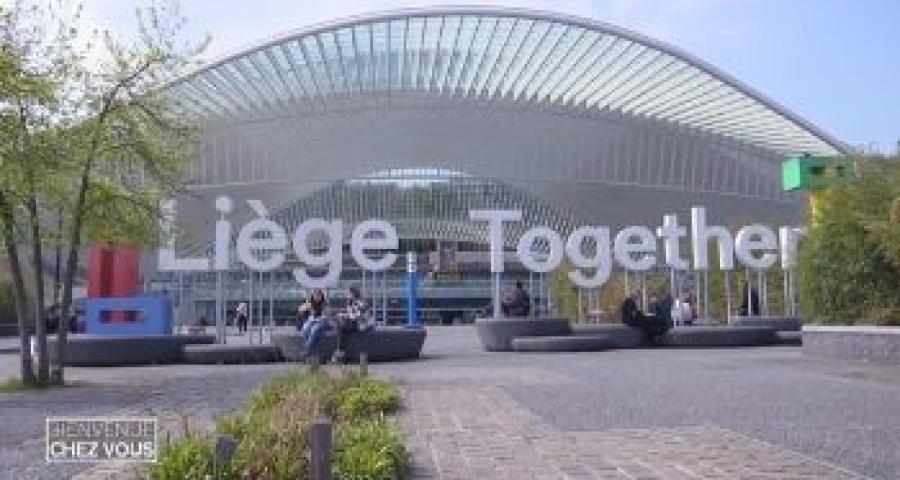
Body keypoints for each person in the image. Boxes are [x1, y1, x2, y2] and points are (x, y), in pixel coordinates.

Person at [297, 290, 329, 355]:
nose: (317, 297)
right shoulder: (310, 303)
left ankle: (307, 348)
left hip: (321, 321)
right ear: (313, 296)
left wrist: (317, 318)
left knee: (314, 330)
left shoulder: (324, 304)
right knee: (304, 330)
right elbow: (300, 309)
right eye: (315, 295)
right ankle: (307, 347)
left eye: (319, 295)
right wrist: (306, 305)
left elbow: (326, 316)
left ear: (321, 296)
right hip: (312, 321)